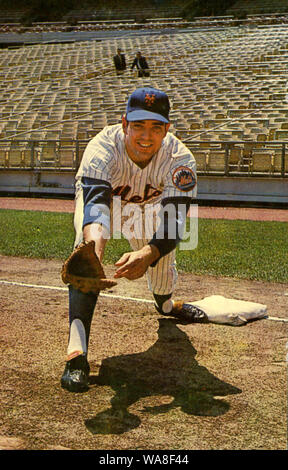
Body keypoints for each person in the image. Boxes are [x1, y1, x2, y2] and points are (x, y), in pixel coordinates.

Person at [60, 86, 207, 393]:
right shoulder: (102, 148)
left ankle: (166, 305)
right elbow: (96, 206)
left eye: (155, 127)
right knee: (85, 254)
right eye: (138, 125)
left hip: (152, 208)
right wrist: (94, 251)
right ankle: (76, 355)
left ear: (167, 129)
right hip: (107, 201)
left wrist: (148, 254)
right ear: (124, 123)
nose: (146, 136)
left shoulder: (180, 159)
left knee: (161, 272)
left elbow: (175, 222)